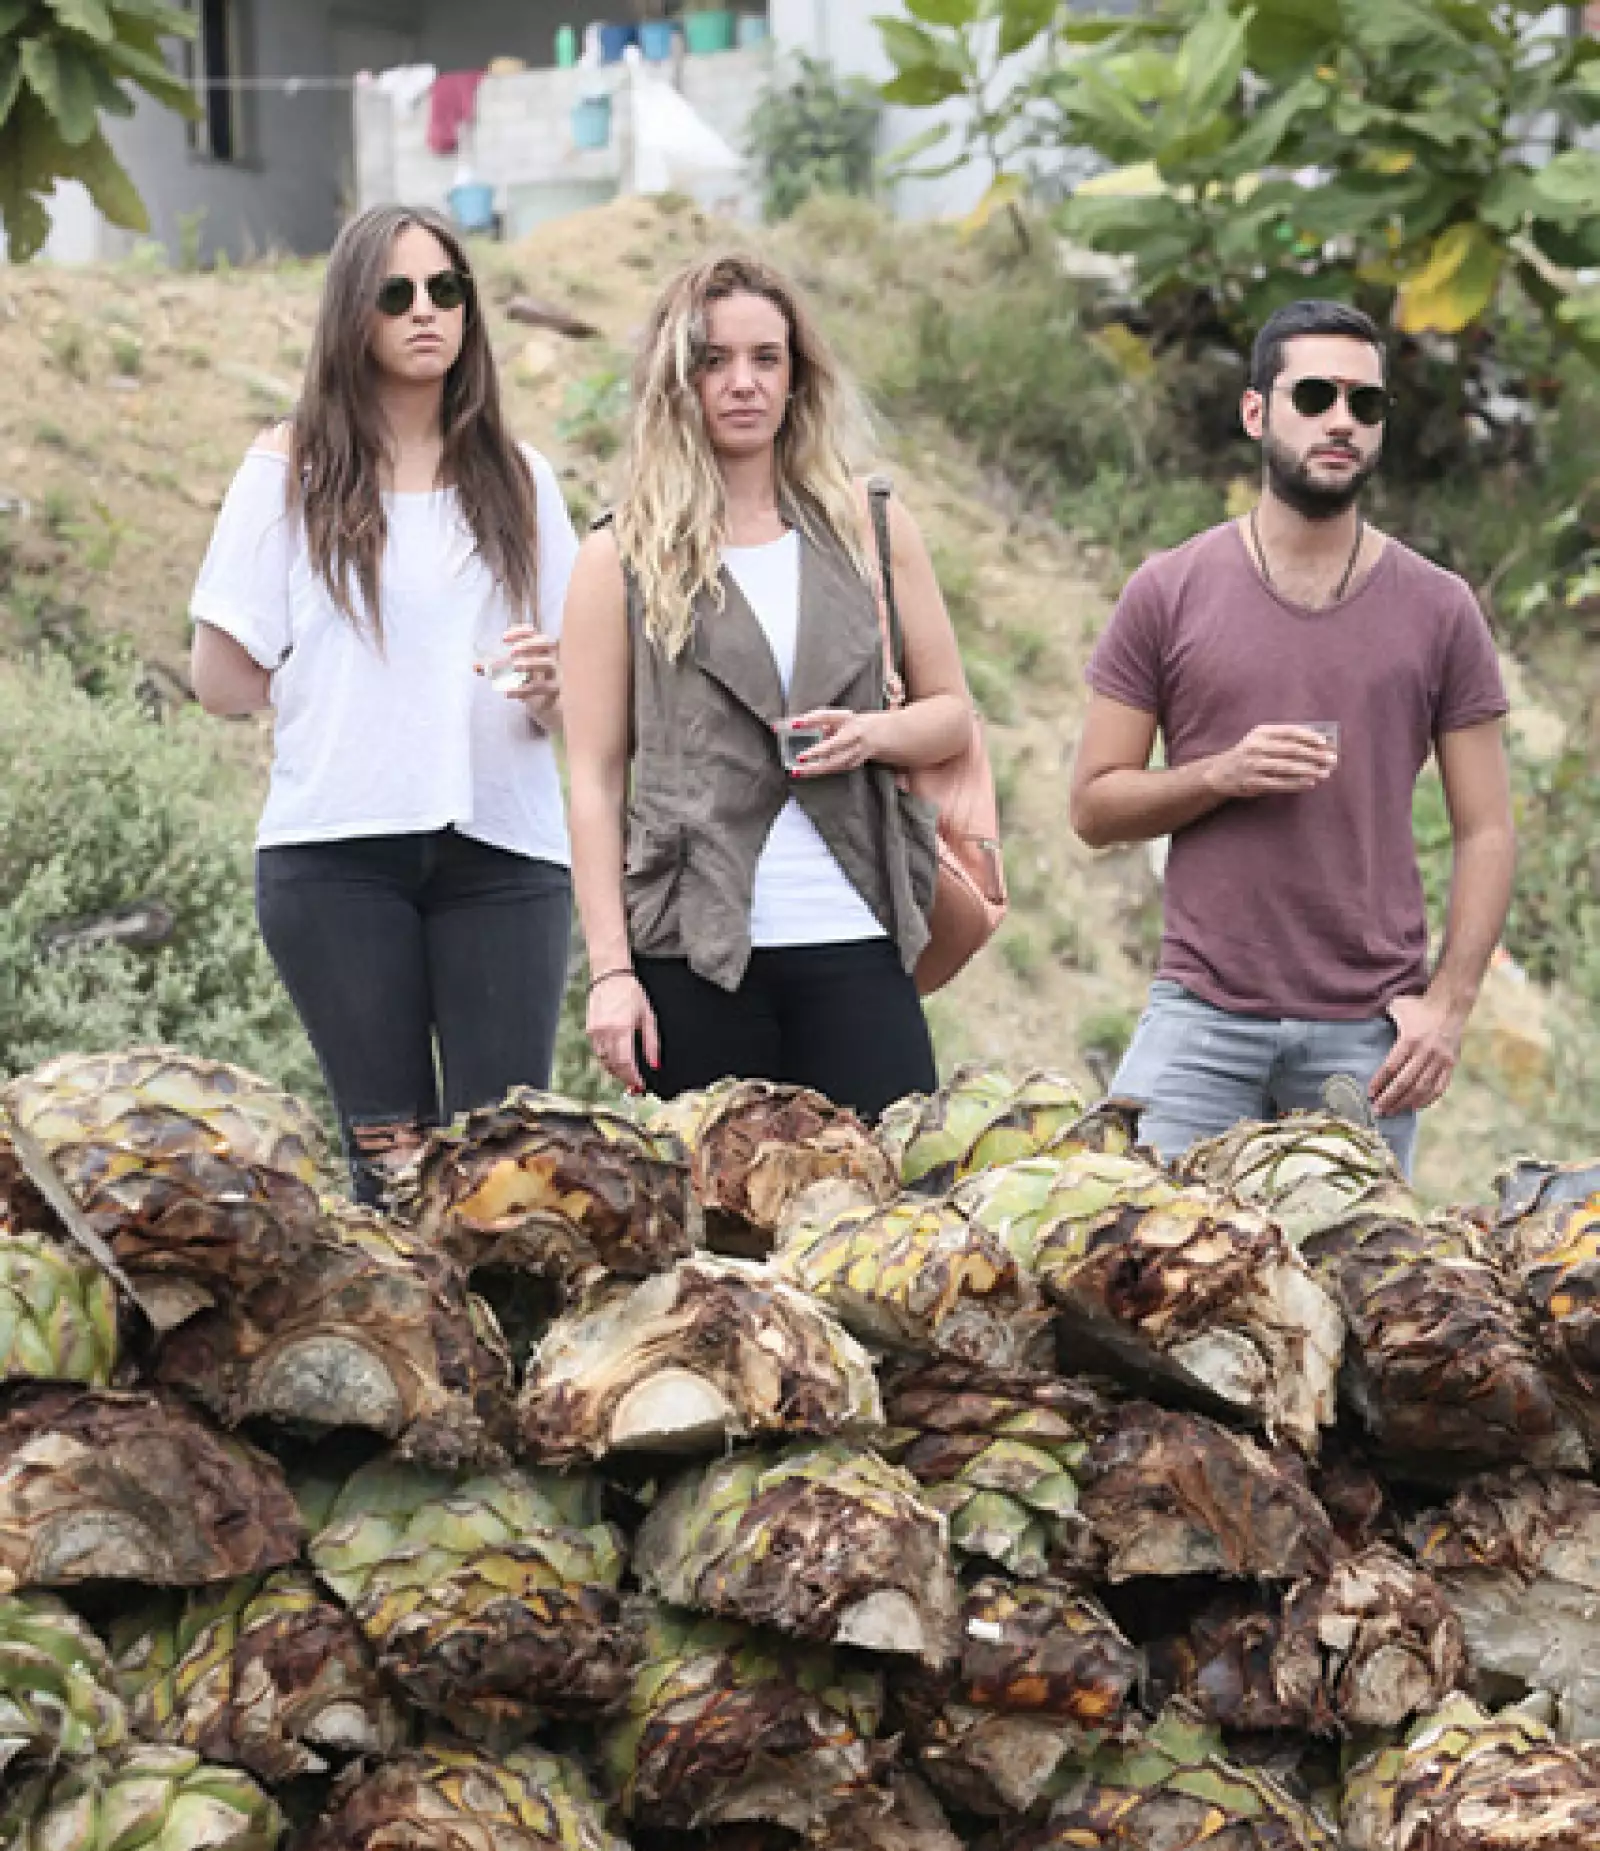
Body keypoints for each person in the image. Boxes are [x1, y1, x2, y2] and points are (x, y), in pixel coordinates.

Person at [1070, 297, 1514, 1175]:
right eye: (1314, 396)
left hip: (1365, 1039)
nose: (1341, 420)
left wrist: (1449, 1008)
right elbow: (1093, 806)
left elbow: (1487, 828)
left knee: (1352, 1304)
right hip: (1200, 1018)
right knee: (1133, 1283)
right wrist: (1219, 775)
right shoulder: (1169, 590)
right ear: (1255, 412)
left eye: (1365, 403)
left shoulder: (1440, 609)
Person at [189, 202, 579, 1197]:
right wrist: (344, 689)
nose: (425, 312)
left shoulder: (521, 480)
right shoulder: (291, 467)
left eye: (446, 290)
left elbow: (584, 693)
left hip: (504, 852)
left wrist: (552, 688)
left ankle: (504, 1356)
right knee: (396, 1178)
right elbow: (220, 677)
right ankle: (412, 1354)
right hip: (335, 860)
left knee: (505, 1179)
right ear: (351, 314)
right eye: (395, 293)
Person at [559, 251, 973, 1118]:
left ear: (797, 376)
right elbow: (595, 779)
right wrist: (611, 973)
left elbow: (951, 718)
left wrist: (874, 735)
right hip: (696, 950)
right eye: (714, 360)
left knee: (894, 1222)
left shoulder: (871, 529)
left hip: (856, 930)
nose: (742, 383)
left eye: (766, 358)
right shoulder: (621, 555)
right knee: (725, 1238)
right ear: (679, 380)